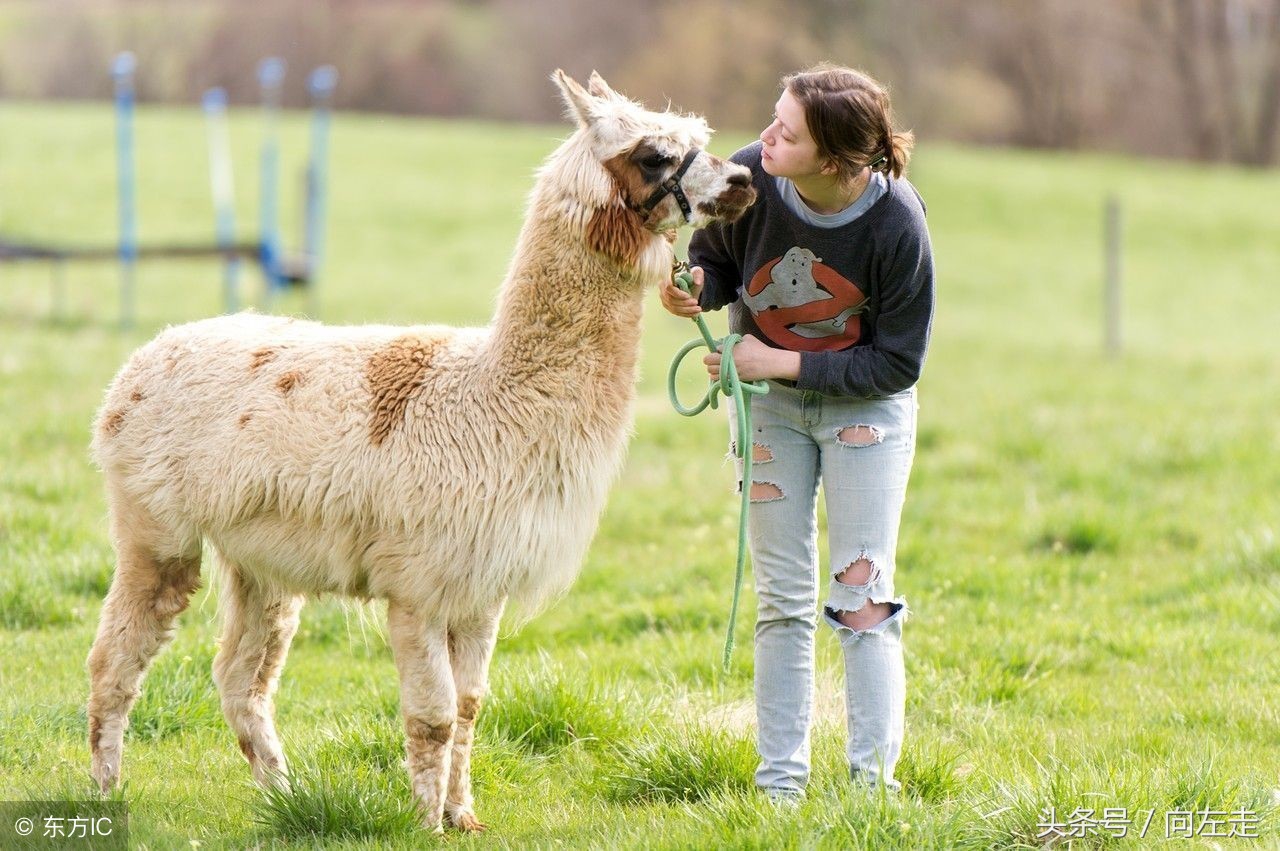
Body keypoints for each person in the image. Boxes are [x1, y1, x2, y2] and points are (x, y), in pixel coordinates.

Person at [659, 63, 934, 799]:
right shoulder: (751, 176)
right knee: (780, 600)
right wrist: (694, 289)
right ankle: (779, 791)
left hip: (864, 414)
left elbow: (898, 363)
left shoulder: (896, 223)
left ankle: (873, 792)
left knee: (863, 599)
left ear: (838, 160)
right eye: (772, 118)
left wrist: (779, 359)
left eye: (787, 131)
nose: (765, 136)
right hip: (769, 409)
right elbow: (717, 264)